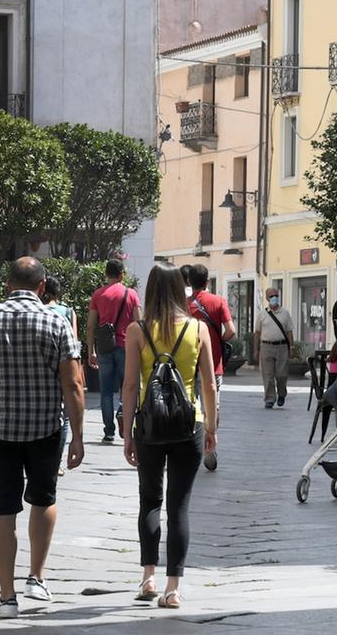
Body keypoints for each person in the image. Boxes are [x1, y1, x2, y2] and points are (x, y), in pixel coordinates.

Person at [0, 258, 84, 621]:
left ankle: (6, 596)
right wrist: (78, 436)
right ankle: (37, 577)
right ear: (43, 287)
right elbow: (73, 383)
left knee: (1, 509)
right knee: (44, 498)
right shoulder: (57, 321)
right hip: (44, 427)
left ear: (7, 284)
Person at [120, 264, 218, 610]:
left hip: (149, 426)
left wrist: (127, 429)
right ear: (181, 289)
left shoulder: (137, 330)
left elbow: (131, 384)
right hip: (187, 424)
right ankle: (173, 587)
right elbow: (208, 383)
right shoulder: (198, 328)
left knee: (149, 501)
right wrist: (211, 427)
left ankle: (148, 577)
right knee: (179, 506)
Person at [86, 259, 141, 445]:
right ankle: (124, 416)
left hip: (104, 348)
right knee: (129, 387)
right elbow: (138, 324)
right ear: (122, 274)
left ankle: (108, 431)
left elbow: (90, 326)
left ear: (106, 274)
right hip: (126, 347)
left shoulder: (98, 295)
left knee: (106, 392)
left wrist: (90, 352)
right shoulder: (131, 294)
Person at [185, 264, 234, 472]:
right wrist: (218, 342)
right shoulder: (219, 301)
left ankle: (191, 445)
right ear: (207, 281)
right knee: (211, 405)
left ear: (189, 282)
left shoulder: (185, 304)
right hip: (213, 364)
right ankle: (210, 445)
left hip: (188, 363)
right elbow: (231, 330)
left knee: (190, 405)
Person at [42, 276, 78, 476]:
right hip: (62, 370)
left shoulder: (36, 311)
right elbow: (74, 344)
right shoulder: (67, 311)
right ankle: (56, 461)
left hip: (40, 371)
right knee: (62, 416)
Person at [252, 286, 293, 409]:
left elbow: (289, 332)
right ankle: (270, 398)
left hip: (282, 347)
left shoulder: (285, 313)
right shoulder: (262, 315)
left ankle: (281, 394)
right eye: (271, 296)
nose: (274, 298)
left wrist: (292, 347)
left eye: (276, 295)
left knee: (282, 375)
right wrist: (256, 350)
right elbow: (257, 333)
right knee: (267, 375)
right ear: (267, 298)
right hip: (266, 346)